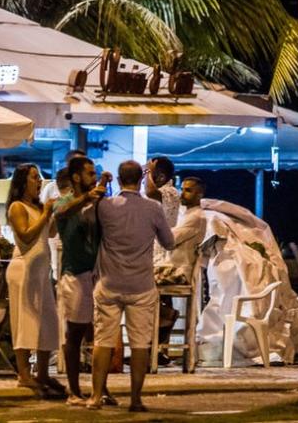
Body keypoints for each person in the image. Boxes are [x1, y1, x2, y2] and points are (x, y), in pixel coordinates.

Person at [88, 161, 175, 412]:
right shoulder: (153, 208)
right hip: (141, 285)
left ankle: (95, 395)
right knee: (140, 344)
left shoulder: (105, 207)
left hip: (109, 283)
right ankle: (136, 399)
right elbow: (168, 243)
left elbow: (93, 225)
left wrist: (101, 184)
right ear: (140, 179)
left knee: (103, 340)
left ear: (118, 178)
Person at [53, 157, 110, 405]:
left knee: (101, 335)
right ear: (76, 177)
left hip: (98, 273)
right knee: (75, 333)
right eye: (89, 174)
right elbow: (62, 213)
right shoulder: (65, 201)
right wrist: (87, 199)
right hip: (74, 274)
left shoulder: (98, 202)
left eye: (95, 174)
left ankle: (101, 389)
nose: (93, 178)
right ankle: (74, 390)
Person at [5, 163, 64, 395]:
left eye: (39, 177)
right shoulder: (17, 207)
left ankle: (42, 373)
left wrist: (55, 214)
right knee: (25, 320)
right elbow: (27, 235)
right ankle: (23, 373)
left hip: (41, 270)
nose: (38, 181)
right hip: (24, 268)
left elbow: (49, 233)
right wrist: (47, 214)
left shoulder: (39, 207)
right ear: (22, 182)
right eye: (33, 177)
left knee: (47, 321)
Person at [154, 177, 207, 362]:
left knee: (137, 282)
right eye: (182, 189)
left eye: (188, 190)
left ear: (199, 194)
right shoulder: (188, 214)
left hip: (178, 272)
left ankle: (148, 346)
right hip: (172, 268)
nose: (183, 193)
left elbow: (169, 238)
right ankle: (156, 346)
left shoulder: (196, 217)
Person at [146, 156, 179, 227]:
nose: (146, 178)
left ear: (161, 178)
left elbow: (151, 193)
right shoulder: (166, 190)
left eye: (149, 173)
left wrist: (148, 172)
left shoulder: (169, 191)